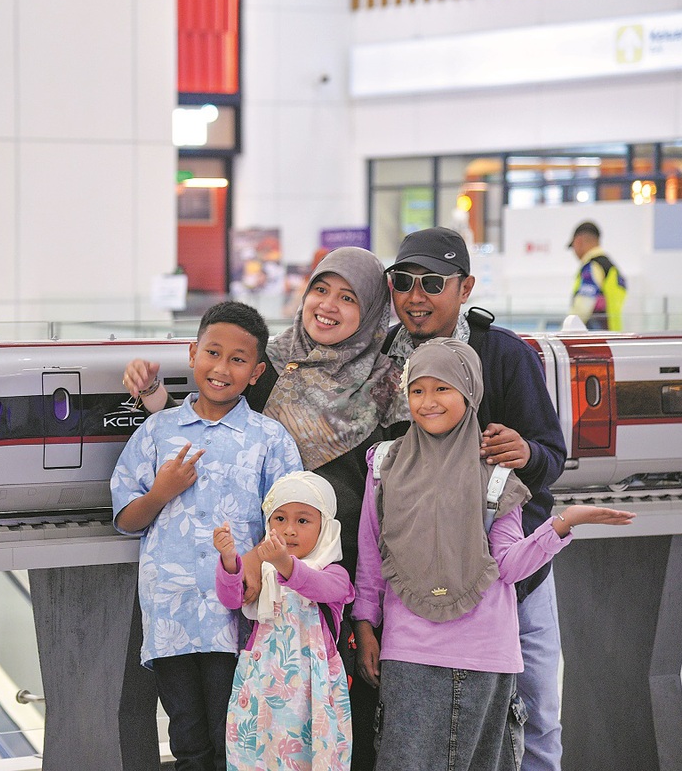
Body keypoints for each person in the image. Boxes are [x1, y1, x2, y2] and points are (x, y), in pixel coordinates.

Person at [123, 247, 408, 770]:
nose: (327, 305)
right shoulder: (273, 364)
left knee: (334, 723)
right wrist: (158, 403)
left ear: (370, 309)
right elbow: (212, 415)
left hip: (342, 574)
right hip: (257, 585)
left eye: (348, 298)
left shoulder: (389, 380)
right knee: (241, 729)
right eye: (320, 289)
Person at [352, 338, 634, 771]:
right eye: (418, 390)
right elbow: (372, 556)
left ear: (469, 392)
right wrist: (365, 624)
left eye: (442, 388)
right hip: (408, 652)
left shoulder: (497, 476)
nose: (428, 402)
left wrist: (563, 523)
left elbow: (507, 565)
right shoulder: (385, 465)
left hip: (484, 655)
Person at [382, 226, 568, 771]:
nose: (416, 296)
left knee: (535, 710)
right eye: (404, 282)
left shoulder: (504, 354)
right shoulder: (380, 362)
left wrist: (525, 452)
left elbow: (551, 455)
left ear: (465, 287)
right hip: (419, 582)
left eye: (433, 282)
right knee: (424, 723)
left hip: (512, 571)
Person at [111, 300, 303, 771]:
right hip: (170, 615)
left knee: (234, 733)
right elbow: (125, 517)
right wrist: (162, 492)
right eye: (212, 353)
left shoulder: (269, 439)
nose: (221, 368)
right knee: (186, 737)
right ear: (193, 352)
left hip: (235, 614)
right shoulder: (157, 431)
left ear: (256, 372)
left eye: (238, 360)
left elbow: (292, 523)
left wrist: (256, 561)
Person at [214, 471, 354, 771]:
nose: (289, 530)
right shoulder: (263, 574)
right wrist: (229, 560)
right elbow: (232, 598)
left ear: (325, 527)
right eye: (279, 519)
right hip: (261, 685)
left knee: (311, 756)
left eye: (302, 521)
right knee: (257, 756)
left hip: (313, 690)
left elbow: (317, 587)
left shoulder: (334, 574)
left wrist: (283, 564)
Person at [568, 220, 626, 330]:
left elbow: (582, 307)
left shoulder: (592, 267)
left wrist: (565, 333)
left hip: (595, 337)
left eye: (573, 246)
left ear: (578, 241)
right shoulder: (612, 268)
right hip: (613, 336)